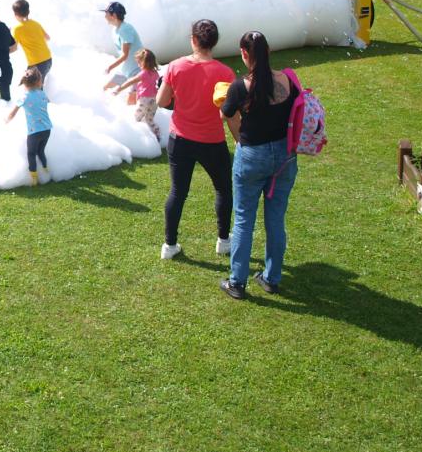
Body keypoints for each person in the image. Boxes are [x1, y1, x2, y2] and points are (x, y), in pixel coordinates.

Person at [219, 31, 300, 300]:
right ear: (269, 51)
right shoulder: (287, 80)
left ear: (244, 54)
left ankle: (237, 282)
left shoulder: (240, 87)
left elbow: (226, 114)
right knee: (276, 220)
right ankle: (271, 278)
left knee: (244, 220)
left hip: (252, 157)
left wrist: (235, 132)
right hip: (285, 157)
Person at [156, 19, 235, 261]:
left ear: (193, 40)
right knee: (223, 189)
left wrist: (180, 100)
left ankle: (169, 245)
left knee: (178, 192)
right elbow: (228, 112)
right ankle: (223, 241)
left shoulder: (175, 66)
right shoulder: (225, 73)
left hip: (180, 139)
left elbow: (161, 101)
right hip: (212, 141)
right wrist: (239, 139)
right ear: (215, 42)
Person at [5, 67, 51, 186]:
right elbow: (48, 101)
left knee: (31, 153)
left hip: (34, 131)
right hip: (47, 129)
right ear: (39, 82)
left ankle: (34, 178)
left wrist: (6, 121)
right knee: (41, 151)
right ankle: (46, 171)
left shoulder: (24, 97)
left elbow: (12, 113)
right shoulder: (42, 94)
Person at [113, 48, 162, 141]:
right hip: (155, 100)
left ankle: (135, 137)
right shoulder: (155, 73)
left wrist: (119, 89)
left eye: (139, 63)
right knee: (149, 119)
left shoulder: (143, 74)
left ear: (145, 63)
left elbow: (130, 81)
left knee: (136, 117)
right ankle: (157, 134)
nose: (138, 65)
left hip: (144, 100)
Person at [102, 2, 142, 99]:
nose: (105, 16)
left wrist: (110, 67)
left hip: (137, 71)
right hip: (125, 70)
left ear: (114, 15)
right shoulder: (115, 30)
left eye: (106, 13)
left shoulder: (126, 29)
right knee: (104, 89)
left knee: (131, 102)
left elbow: (125, 55)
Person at [11, 0, 52, 83]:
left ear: (15, 14)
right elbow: (47, 38)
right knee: (31, 84)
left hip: (37, 64)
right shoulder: (36, 23)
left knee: (32, 88)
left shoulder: (17, 29)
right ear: (28, 11)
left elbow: (13, 48)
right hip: (48, 60)